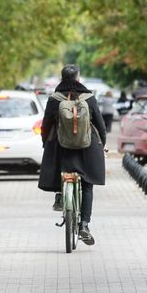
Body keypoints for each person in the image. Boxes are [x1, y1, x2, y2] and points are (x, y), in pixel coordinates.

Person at [38, 64, 106, 245]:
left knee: (58, 167)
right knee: (88, 185)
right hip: (87, 148)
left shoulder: (55, 98)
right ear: (78, 78)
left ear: (62, 78)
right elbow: (100, 125)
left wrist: (46, 142)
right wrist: (102, 144)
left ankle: (60, 196)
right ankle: (84, 224)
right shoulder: (89, 98)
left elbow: (45, 126)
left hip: (62, 148)